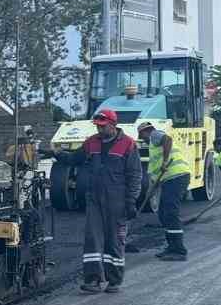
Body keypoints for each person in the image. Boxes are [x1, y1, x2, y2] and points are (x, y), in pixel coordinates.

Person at [80, 107, 141, 294]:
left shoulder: (128, 144)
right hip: (95, 199)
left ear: (113, 125)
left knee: (115, 241)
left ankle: (114, 280)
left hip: (118, 200)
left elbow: (135, 175)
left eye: (103, 126)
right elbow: (75, 158)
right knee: (93, 239)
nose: (99, 129)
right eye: (97, 126)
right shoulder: (91, 143)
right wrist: (54, 154)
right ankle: (93, 280)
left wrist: (131, 201)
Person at [137, 121, 191, 261]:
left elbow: (168, 139)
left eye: (141, 135)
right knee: (163, 213)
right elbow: (153, 178)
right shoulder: (153, 149)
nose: (141, 138)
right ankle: (171, 246)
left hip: (177, 177)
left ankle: (179, 250)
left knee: (171, 212)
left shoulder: (155, 134)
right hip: (170, 180)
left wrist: (165, 161)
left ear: (146, 131)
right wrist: (149, 195)